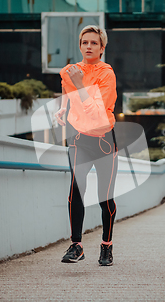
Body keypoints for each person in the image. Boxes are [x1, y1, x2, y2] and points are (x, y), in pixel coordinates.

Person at [55, 25, 118, 266]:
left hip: (103, 141)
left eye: (94, 43)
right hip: (80, 138)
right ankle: (76, 245)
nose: (88, 47)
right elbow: (66, 85)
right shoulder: (71, 70)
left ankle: (106, 246)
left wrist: (81, 85)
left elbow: (97, 113)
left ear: (102, 48)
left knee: (105, 198)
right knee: (75, 190)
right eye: (84, 43)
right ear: (80, 45)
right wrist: (63, 106)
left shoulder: (106, 74)